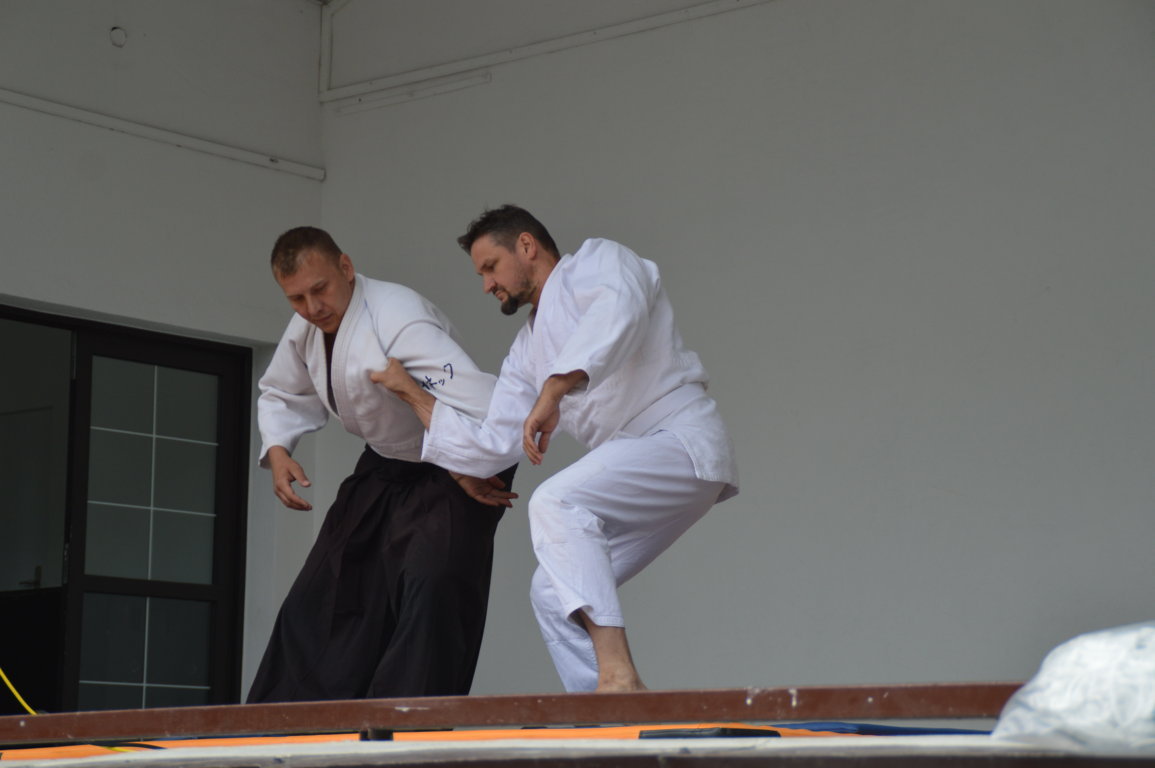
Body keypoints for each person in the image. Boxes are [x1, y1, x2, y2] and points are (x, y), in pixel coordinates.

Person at [375, 205, 738, 693]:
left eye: (490, 267)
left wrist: (556, 386)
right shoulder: (526, 350)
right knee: (550, 592)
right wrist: (413, 396)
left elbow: (619, 311)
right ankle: (606, 715)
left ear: (526, 246)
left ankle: (619, 676)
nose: (486, 285)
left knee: (556, 501)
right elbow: (494, 442)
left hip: (679, 436)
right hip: (638, 458)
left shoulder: (598, 261)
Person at [247, 226, 516, 703]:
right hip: (384, 464)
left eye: (320, 289)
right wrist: (280, 450)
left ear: (346, 268)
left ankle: (406, 728)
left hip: (454, 466)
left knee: (430, 592)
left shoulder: (399, 319)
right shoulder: (307, 326)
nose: (312, 307)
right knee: (320, 594)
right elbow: (282, 390)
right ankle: (294, 727)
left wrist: (461, 462)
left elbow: (486, 407)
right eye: (296, 298)